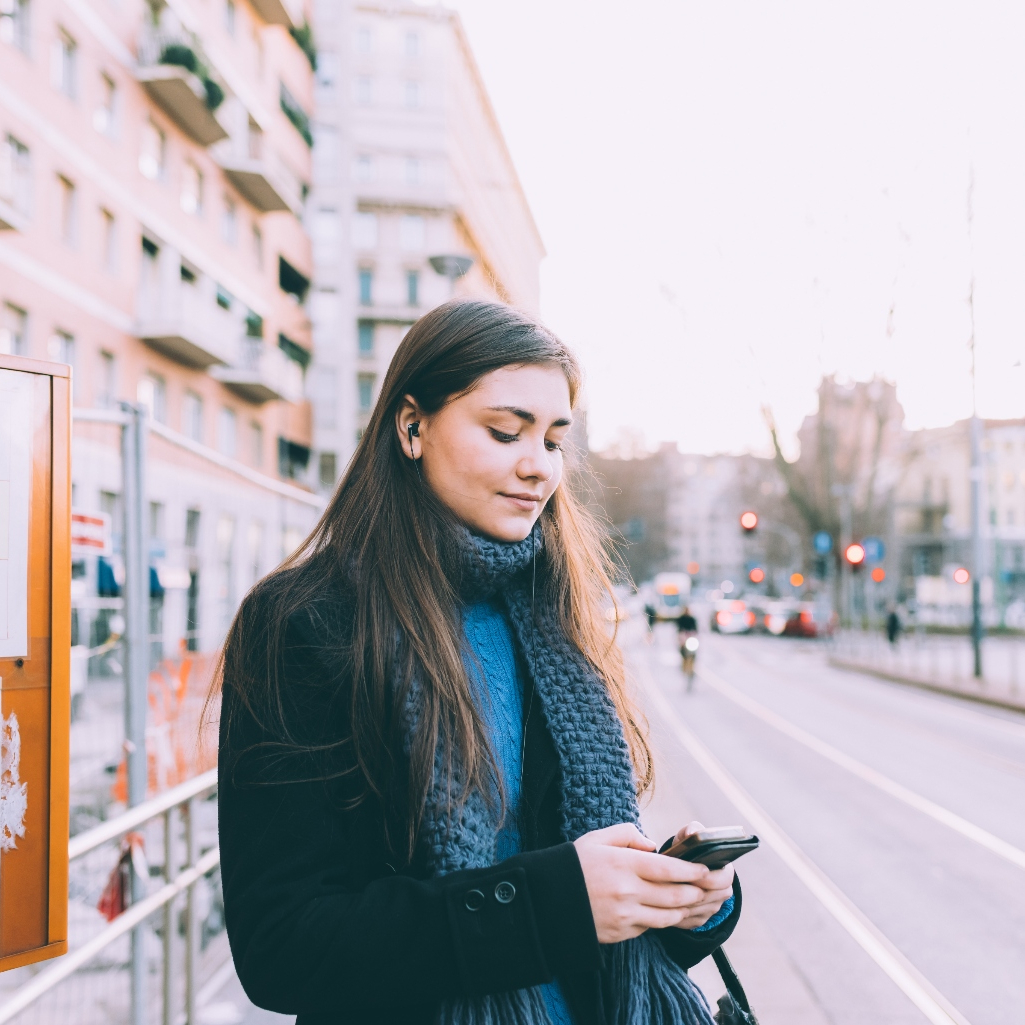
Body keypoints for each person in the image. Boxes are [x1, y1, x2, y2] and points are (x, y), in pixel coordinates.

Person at [216, 299, 740, 1025]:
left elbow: (578, 932)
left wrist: (669, 901)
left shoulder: (551, 614)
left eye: (555, 441)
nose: (538, 467)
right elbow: (282, 947)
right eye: (504, 431)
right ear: (411, 426)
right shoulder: (306, 622)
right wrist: (560, 899)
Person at [676, 606, 699, 691]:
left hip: (691, 638)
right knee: (682, 650)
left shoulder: (692, 619)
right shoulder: (681, 619)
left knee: (694, 651)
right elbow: (678, 629)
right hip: (684, 637)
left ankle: (692, 667)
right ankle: (684, 664)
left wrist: (694, 634)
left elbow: (696, 629)